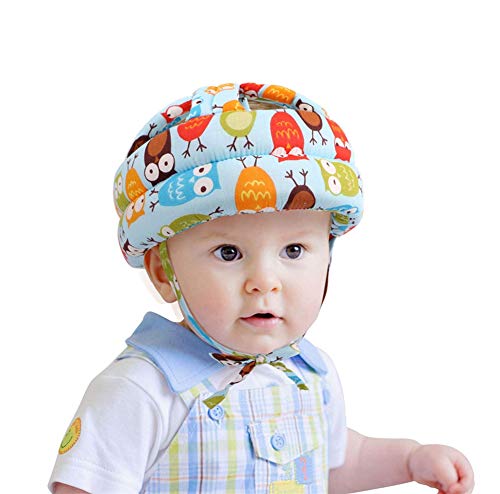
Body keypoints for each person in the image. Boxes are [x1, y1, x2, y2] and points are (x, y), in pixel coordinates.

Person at [48, 82, 474, 494]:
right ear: (164, 272)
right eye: (229, 252)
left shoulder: (310, 374)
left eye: (293, 250)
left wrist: (409, 459)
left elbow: (335, 467)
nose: (265, 282)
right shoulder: (142, 389)